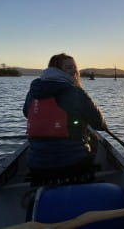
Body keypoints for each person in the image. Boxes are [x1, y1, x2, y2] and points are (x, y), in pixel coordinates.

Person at [23, 53, 107, 184]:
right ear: (57, 69)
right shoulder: (75, 91)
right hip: (73, 164)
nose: (74, 70)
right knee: (94, 139)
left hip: (36, 166)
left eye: (74, 67)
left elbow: (26, 113)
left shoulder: (34, 90)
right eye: (68, 67)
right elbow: (99, 124)